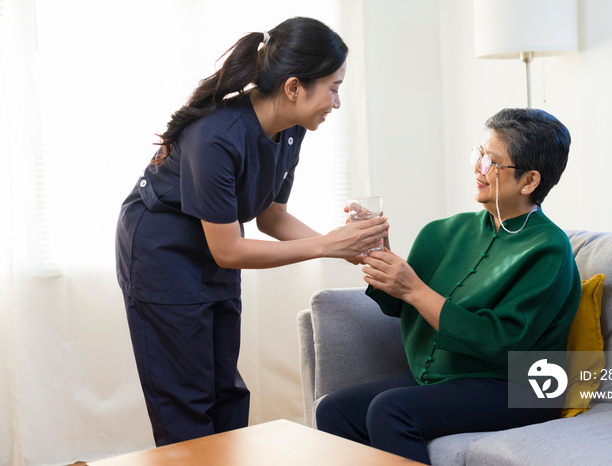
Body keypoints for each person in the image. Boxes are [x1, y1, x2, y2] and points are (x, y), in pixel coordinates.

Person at [115, 17, 389, 447]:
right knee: (185, 401)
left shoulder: (291, 128)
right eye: (333, 88)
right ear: (294, 86)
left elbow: (271, 217)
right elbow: (228, 251)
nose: (336, 102)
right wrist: (326, 244)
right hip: (161, 250)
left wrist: (346, 248)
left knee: (226, 391)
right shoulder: (216, 136)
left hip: (218, 241)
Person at [315, 108, 581, 465]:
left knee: (391, 410)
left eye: (492, 162)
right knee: (334, 410)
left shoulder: (548, 249)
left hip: (521, 385)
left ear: (529, 181)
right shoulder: (445, 231)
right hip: (451, 376)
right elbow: (401, 304)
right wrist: (378, 256)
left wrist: (413, 289)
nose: (478, 168)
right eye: (479, 155)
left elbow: (500, 343)